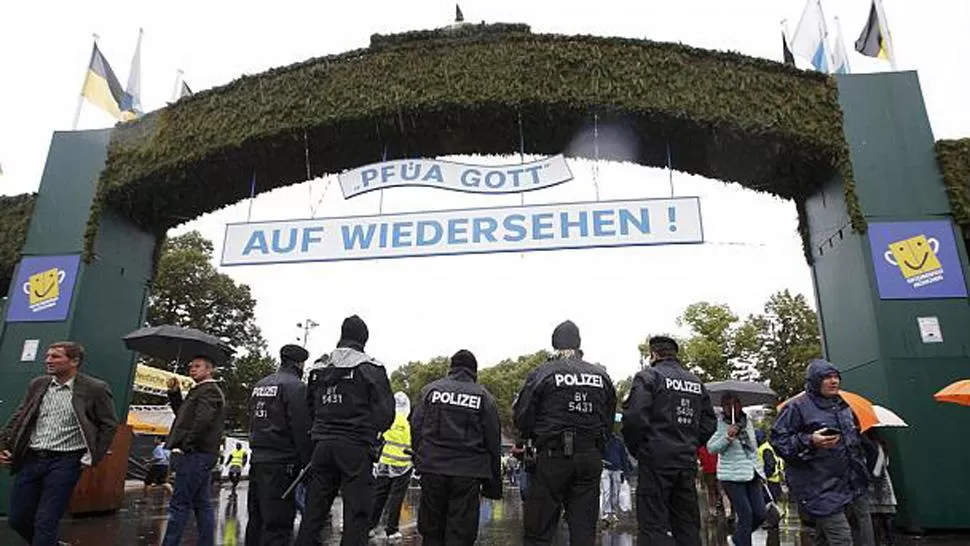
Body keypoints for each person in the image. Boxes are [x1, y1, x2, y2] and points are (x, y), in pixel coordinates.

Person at [0, 341, 119, 546]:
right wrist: (3, 444)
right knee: (18, 519)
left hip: (65, 462)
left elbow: (109, 425)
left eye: (55, 356)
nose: (48, 360)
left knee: (46, 521)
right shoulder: (38, 384)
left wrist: (93, 456)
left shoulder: (94, 388)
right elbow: (21, 415)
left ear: (74, 361)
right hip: (31, 458)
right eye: (47, 356)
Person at [513, 320, 617, 546]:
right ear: (579, 345)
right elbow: (609, 419)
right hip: (590, 455)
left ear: (554, 345)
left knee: (539, 529)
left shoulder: (543, 373)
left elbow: (523, 415)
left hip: (552, 456)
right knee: (583, 529)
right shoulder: (601, 376)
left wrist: (528, 437)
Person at [295, 315, 395, 546]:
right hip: (355, 447)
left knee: (313, 513)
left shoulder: (320, 367)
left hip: (322, 446)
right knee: (357, 515)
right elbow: (385, 413)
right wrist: (372, 432)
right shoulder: (370, 367)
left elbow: (308, 406)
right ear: (364, 339)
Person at [621, 335, 717, 546]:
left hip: (656, 460)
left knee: (653, 524)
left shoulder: (648, 377)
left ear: (653, 354)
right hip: (685, 461)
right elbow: (709, 423)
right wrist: (691, 444)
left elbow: (634, 419)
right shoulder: (695, 383)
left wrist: (640, 449)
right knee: (687, 523)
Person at [770, 359, 873, 546]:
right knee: (842, 540)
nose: (834, 381)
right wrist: (810, 440)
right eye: (827, 377)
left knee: (829, 539)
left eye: (836, 377)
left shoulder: (843, 406)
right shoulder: (797, 407)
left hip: (850, 486)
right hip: (819, 488)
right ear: (815, 381)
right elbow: (779, 442)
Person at [412, 349, 503, 545]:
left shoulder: (430, 391)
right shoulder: (484, 397)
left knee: (431, 531)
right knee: (460, 534)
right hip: (467, 474)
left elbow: (416, 427)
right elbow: (493, 442)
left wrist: (420, 460)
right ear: (474, 372)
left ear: (450, 368)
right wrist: (493, 485)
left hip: (433, 468)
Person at [246, 344, 311, 546]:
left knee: (256, 521)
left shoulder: (260, 385)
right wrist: (308, 462)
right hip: (282, 463)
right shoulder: (297, 388)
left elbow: (252, 421)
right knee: (278, 525)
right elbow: (301, 429)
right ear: (299, 363)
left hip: (257, 460)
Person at [162, 355, 226, 546]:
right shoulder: (199, 390)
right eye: (191, 366)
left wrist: (186, 444)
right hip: (201, 453)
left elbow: (203, 421)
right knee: (202, 503)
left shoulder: (209, 391)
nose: (192, 369)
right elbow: (184, 416)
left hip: (196, 453)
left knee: (179, 504)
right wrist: (174, 393)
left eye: (197, 366)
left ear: (209, 370)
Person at [707, 393, 765, 546]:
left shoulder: (748, 422)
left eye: (734, 403)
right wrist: (727, 437)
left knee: (760, 514)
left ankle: (737, 539)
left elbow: (753, 447)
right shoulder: (718, 424)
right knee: (745, 515)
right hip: (731, 476)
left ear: (740, 405)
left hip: (751, 472)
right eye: (727, 404)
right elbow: (711, 448)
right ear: (723, 407)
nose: (731, 407)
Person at [369, 392, 414, 541]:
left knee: (379, 495)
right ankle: (392, 530)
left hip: (384, 463)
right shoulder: (408, 424)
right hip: (403, 465)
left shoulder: (387, 420)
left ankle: (370, 525)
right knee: (396, 497)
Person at [864, 430, 896, 546]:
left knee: (874, 518)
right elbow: (885, 464)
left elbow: (876, 471)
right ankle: (889, 541)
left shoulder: (870, 447)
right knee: (886, 516)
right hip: (885, 486)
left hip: (873, 487)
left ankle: (878, 542)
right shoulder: (881, 445)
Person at [600, 429, 631, 524]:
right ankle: (608, 512)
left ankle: (612, 512)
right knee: (608, 491)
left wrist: (625, 472)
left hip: (616, 469)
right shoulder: (607, 442)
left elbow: (623, 457)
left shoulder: (616, 442)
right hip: (608, 469)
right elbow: (624, 457)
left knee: (613, 491)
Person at [756, 429, 785, 526]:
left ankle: (772, 522)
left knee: (769, 502)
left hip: (770, 481)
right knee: (769, 501)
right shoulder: (764, 447)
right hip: (770, 480)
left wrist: (764, 476)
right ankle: (772, 521)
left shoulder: (765, 449)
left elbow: (770, 465)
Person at [697, 445, 723, 516]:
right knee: (711, 489)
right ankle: (712, 507)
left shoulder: (715, 446)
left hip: (717, 469)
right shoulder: (702, 448)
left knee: (718, 489)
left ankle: (715, 504)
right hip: (709, 471)